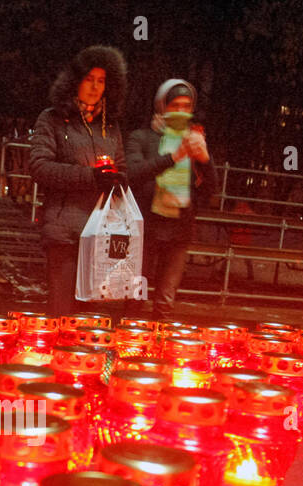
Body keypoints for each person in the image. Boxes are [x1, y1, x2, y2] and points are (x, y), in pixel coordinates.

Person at [29, 45, 128, 318]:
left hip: (101, 234)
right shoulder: (51, 119)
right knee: (61, 312)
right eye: (89, 79)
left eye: (101, 81)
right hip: (64, 231)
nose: (95, 87)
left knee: (90, 318)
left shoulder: (110, 126)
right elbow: (39, 167)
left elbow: (122, 167)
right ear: (75, 81)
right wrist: (90, 176)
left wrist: (118, 180)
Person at [124, 78, 216, 318]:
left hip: (179, 230)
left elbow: (209, 191)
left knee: (165, 301)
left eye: (187, 106)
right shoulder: (142, 137)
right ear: (161, 106)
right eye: (175, 105)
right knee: (135, 297)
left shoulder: (195, 140)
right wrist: (173, 157)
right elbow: (133, 173)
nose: (181, 111)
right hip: (145, 227)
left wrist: (206, 161)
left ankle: (159, 346)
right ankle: (127, 346)